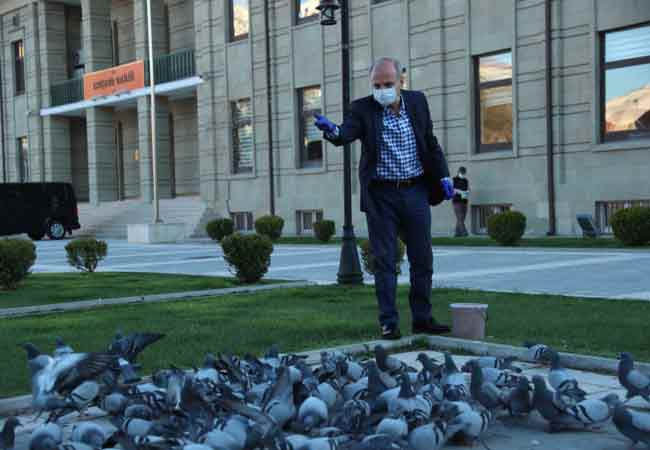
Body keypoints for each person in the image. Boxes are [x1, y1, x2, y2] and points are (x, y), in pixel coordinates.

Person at [314, 57, 455, 340]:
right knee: (385, 261)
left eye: (388, 84)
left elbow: (429, 141)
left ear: (401, 81)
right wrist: (334, 131)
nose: (382, 91)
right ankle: (389, 322)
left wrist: (444, 175)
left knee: (422, 258)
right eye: (377, 85)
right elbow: (347, 132)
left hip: (415, 190)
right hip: (382, 195)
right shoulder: (363, 109)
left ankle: (422, 319)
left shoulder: (417, 102)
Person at [452, 167, 470, 237]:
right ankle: (464, 233)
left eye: (464, 173)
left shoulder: (465, 180)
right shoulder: (454, 179)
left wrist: (467, 192)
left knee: (462, 218)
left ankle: (457, 233)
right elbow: (453, 190)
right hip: (457, 201)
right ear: (459, 172)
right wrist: (461, 192)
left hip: (464, 201)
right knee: (460, 217)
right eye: (462, 172)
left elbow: (467, 189)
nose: (463, 174)